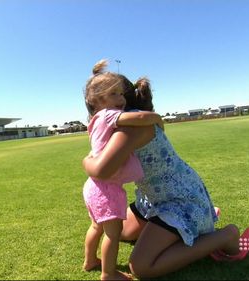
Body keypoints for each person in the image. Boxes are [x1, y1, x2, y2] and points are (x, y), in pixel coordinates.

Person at [83, 68, 249, 279]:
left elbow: (102, 170)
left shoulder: (128, 129)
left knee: (142, 267)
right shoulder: (131, 122)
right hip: (154, 198)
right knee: (119, 233)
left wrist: (85, 161)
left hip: (179, 200)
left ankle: (225, 236)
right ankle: (194, 225)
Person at [82, 60, 164, 280]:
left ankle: (90, 260)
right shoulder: (107, 115)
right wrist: (156, 118)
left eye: (121, 94)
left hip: (94, 187)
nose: (122, 99)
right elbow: (136, 117)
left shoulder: (95, 120)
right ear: (99, 101)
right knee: (112, 233)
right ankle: (108, 273)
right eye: (115, 94)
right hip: (108, 188)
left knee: (95, 227)